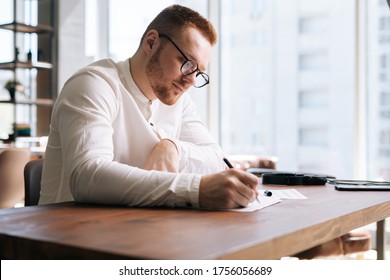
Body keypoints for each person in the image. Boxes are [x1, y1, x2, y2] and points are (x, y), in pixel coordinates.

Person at [39, 4, 259, 209]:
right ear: (151, 42)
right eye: (187, 64)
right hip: (66, 241)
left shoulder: (179, 101)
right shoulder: (94, 84)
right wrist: (196, 191)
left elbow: (217, 160)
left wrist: (173, 149)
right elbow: (87, 177)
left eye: (198, 72)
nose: (191, 81)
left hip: (133, 231)